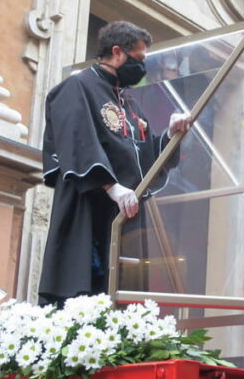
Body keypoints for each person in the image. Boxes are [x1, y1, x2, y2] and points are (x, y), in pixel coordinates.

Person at [39, 21, 190, 305]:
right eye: (139, 59)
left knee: (123, 297)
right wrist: (111, 186)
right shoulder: (76, 87)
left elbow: (142, 156)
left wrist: (171, 134)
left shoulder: (129, 103)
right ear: (118, 53)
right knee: (85, 290)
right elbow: (77, 140)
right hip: (88, 205)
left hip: (124, 214)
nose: (142, 68)